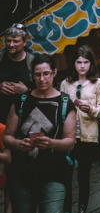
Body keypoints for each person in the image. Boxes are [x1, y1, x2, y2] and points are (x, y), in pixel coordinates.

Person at [3, 54, 76, 213]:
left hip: (54, 173)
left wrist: (51, 143)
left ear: (54, 73)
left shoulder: (64, 103)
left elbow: (70, 141)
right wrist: (18, 144)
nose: (42, 79)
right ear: (32, 75)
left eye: (46, 73)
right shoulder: (21, 101)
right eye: (37, 74)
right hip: (22, 173)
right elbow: (7, 137)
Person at [60, 46, 100, 213]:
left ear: (91, 64)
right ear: (73, 64)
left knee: (83, 176)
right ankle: (66, 209)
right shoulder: (65, 83)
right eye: (78, 62)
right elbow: (60, 108)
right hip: (68, 135)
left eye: (86, 62)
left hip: (87, 136)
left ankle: (82, 208)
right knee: (65, 175)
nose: (82, 66)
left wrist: (89, 109)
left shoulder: (98, 83)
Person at [0, 24, 35, 125]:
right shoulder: (1, 59)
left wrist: (27, 91)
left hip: (25, 118)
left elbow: (45, 92)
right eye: (8, 41)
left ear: (24, 42)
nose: (11, 45)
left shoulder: (33, 63)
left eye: (16, 41)